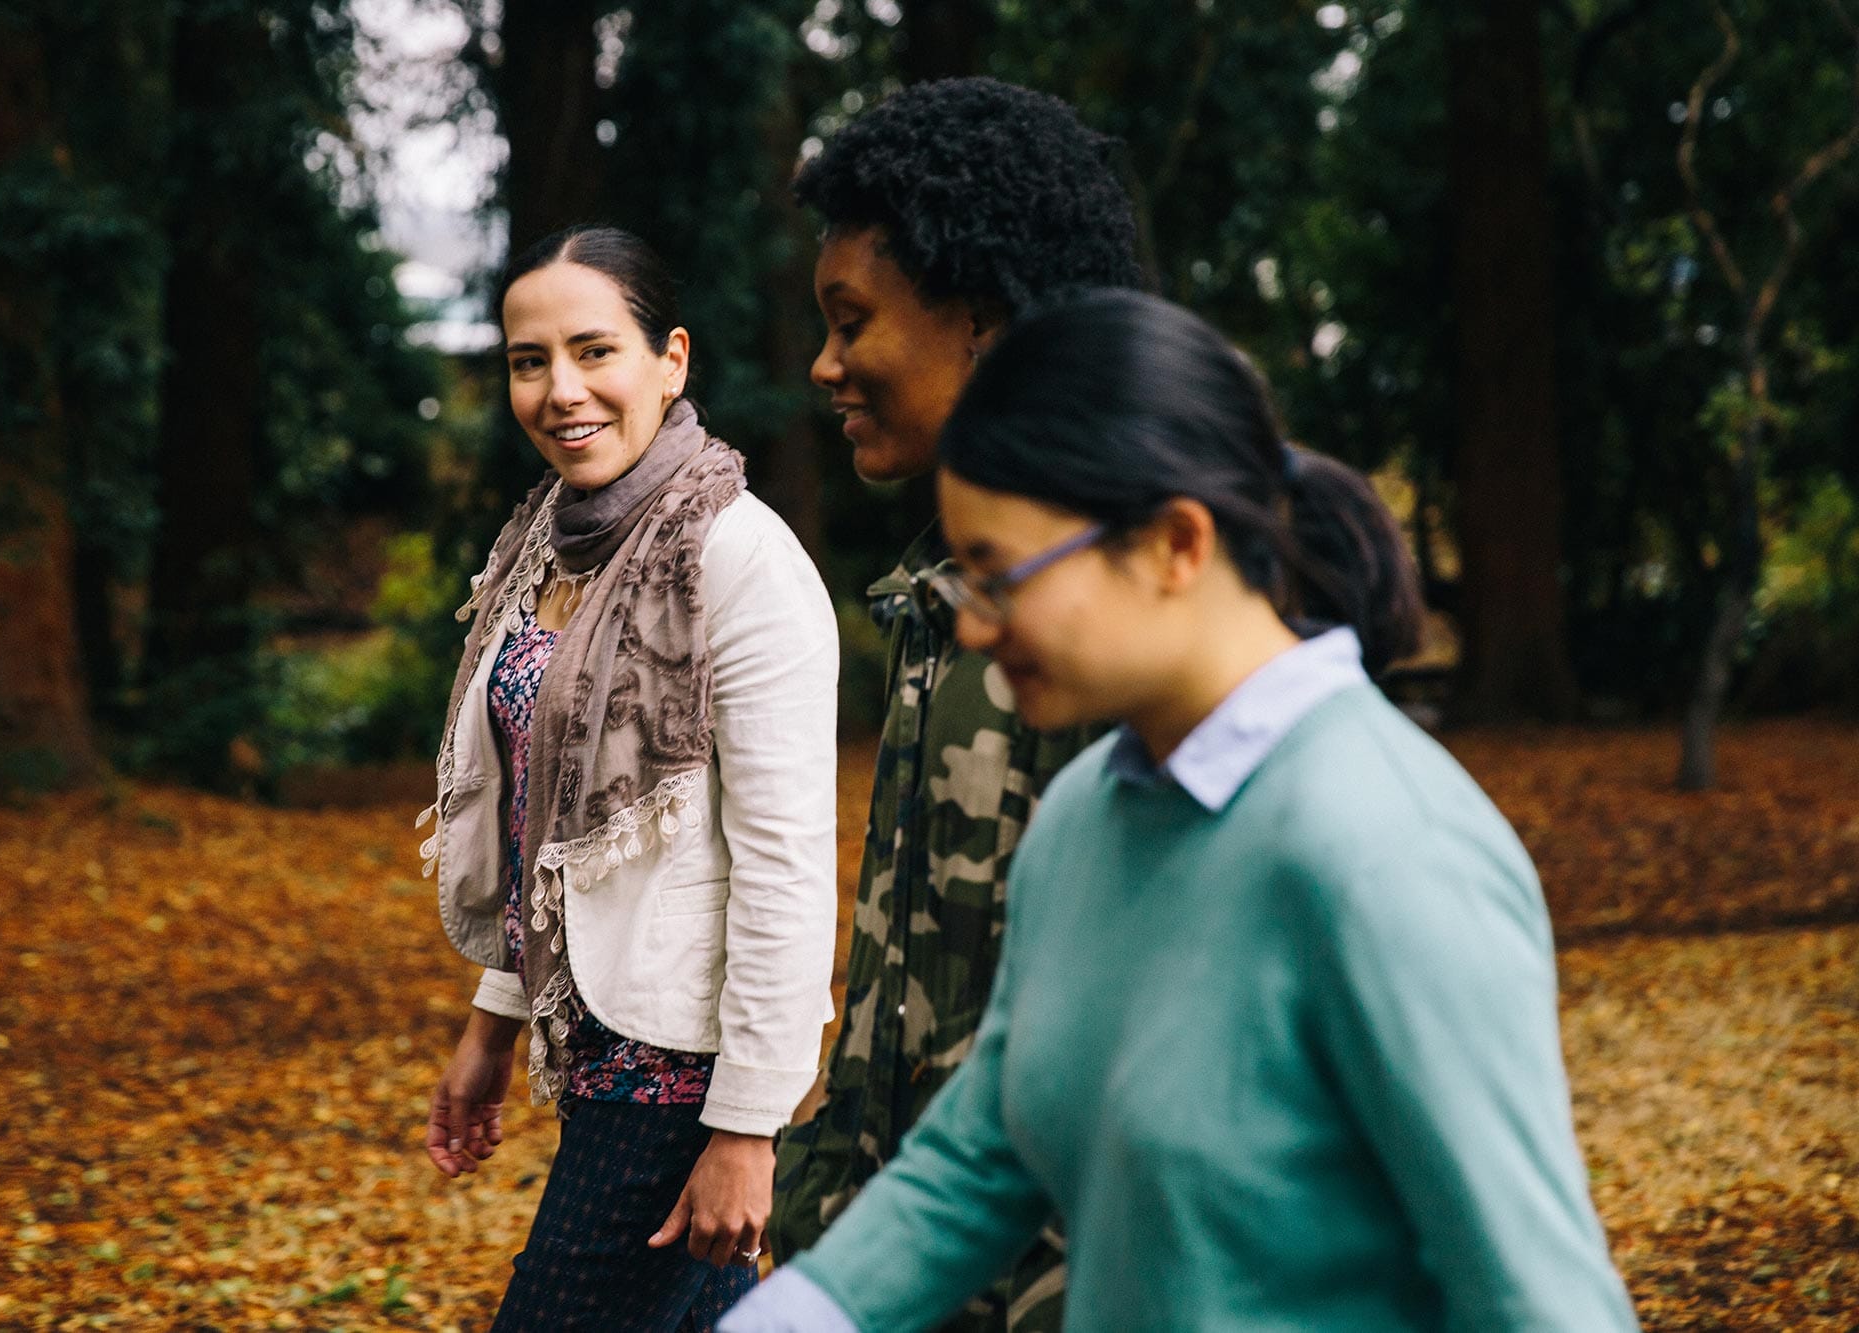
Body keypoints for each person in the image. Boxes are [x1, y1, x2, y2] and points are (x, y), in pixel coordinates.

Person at [726, 290, 1640, 1330]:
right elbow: (979, 1159)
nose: (974, 629)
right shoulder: (1078, 821)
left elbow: (1540, 1299)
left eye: (996, 577)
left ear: (1174, 543)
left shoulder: (1386, 854)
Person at [767, 77, 1145, 1332]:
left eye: (849, 319)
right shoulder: (939, 604)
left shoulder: (1104, 633)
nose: (824, 364)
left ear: (979, 322)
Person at [419, 225, 840, 1331]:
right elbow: (542, 832)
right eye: (528, 360)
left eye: (594, 350)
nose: (561, 389)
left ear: (673, 360)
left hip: (679, 1076)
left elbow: (788, 866)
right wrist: (491, 1026)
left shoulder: (739, 559)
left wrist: (748, 1128)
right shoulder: (544, 550)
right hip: (589, 1044)